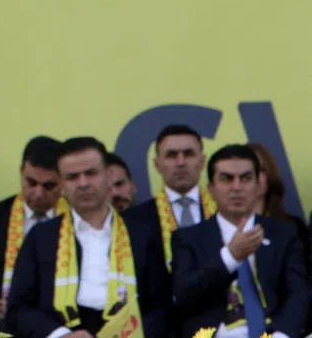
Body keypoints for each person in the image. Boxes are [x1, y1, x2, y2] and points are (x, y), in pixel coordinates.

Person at [6, 137, 171, 338]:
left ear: (108, 176)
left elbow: (162, 309)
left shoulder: (142, 234)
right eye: (72, 177)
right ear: (61, 184)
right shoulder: (41, 237)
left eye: (91, 173)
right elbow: (18, 310)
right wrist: (60, 335)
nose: (83, 183)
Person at [171, 144, 309, 338]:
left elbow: (298, 294)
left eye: (245, 178)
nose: (236, 187)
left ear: (258, 185)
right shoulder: (188, 238)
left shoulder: (283, 234)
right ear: (211, 189)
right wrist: (230, 257)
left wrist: (281, 336)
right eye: (226, 179)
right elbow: (183, 294)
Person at [0, 136, 68, 329]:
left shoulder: (75, 219)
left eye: (49, 186)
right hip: (4, 324)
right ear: (21, 171)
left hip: (59, 324)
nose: (38, 193)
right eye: (31, 182)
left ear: (63, 180)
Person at [125, 125, 214, 273]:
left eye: (188, 154)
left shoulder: (223, 212)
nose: (180, 162)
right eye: (171, 155)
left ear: (202, 161)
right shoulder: (134, 221)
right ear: (157, 165)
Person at [248, 143, 311, 269]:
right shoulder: (217, 228)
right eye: (247, 172)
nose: (255, 177)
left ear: (270, 175)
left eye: (261, 169)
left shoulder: (294, 227)